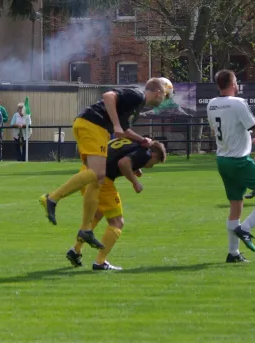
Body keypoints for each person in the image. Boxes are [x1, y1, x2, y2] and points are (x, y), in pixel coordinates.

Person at [39, 77, 169, 250]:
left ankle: (86, 230)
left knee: (97, 180)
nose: (164, 100)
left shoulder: (136, 107)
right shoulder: (137, 95)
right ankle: (52, 198)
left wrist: (141, 140)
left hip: (92, 125)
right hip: (94, 124)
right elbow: (108, 96)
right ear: (158, 92)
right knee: (99, 174)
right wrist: (115, 125)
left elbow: (124, 129)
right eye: (165, 96)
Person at [207, 70, 255, 260]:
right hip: (239, 161)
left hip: (222, 160)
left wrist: (247, 139)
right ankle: (246, 229)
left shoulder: (211, 104)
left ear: (218, 85)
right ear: (233, 83)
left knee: (236, 205)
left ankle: (233, 253)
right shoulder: (238, 103)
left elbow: (220, 129)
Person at [66, 138, 167, 271]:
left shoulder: (135, 143)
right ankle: (100, 262)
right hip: (101, 179)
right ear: (154, 155)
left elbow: (118, 154)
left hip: (86, 171)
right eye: (155, 163)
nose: (152, 166)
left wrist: (134, 167)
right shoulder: (145, 153)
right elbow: (123, 162)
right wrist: (135, 182)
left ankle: (76, 250)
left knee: (97, 213)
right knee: (117, 222)